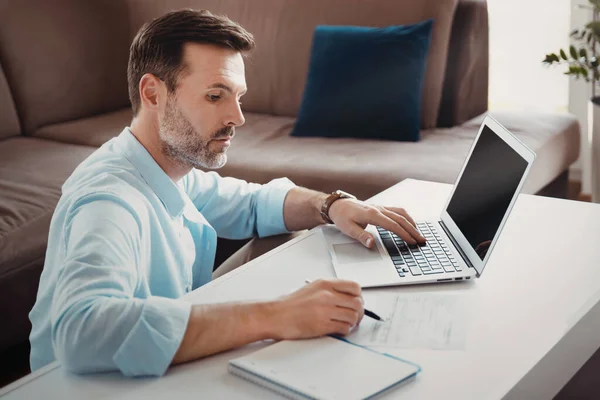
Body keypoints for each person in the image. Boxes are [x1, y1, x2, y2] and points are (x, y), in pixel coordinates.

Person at [28, 9, 425, 377]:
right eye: (216, 96)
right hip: (84, 389)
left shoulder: (171, 169)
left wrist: (331, 204)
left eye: (239, 97)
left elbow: (254, 204)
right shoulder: (108, 201)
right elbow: (82, 329)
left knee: (289, 237)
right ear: (152, 94)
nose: (237, 117)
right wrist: (278, 315)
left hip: (149, 374)